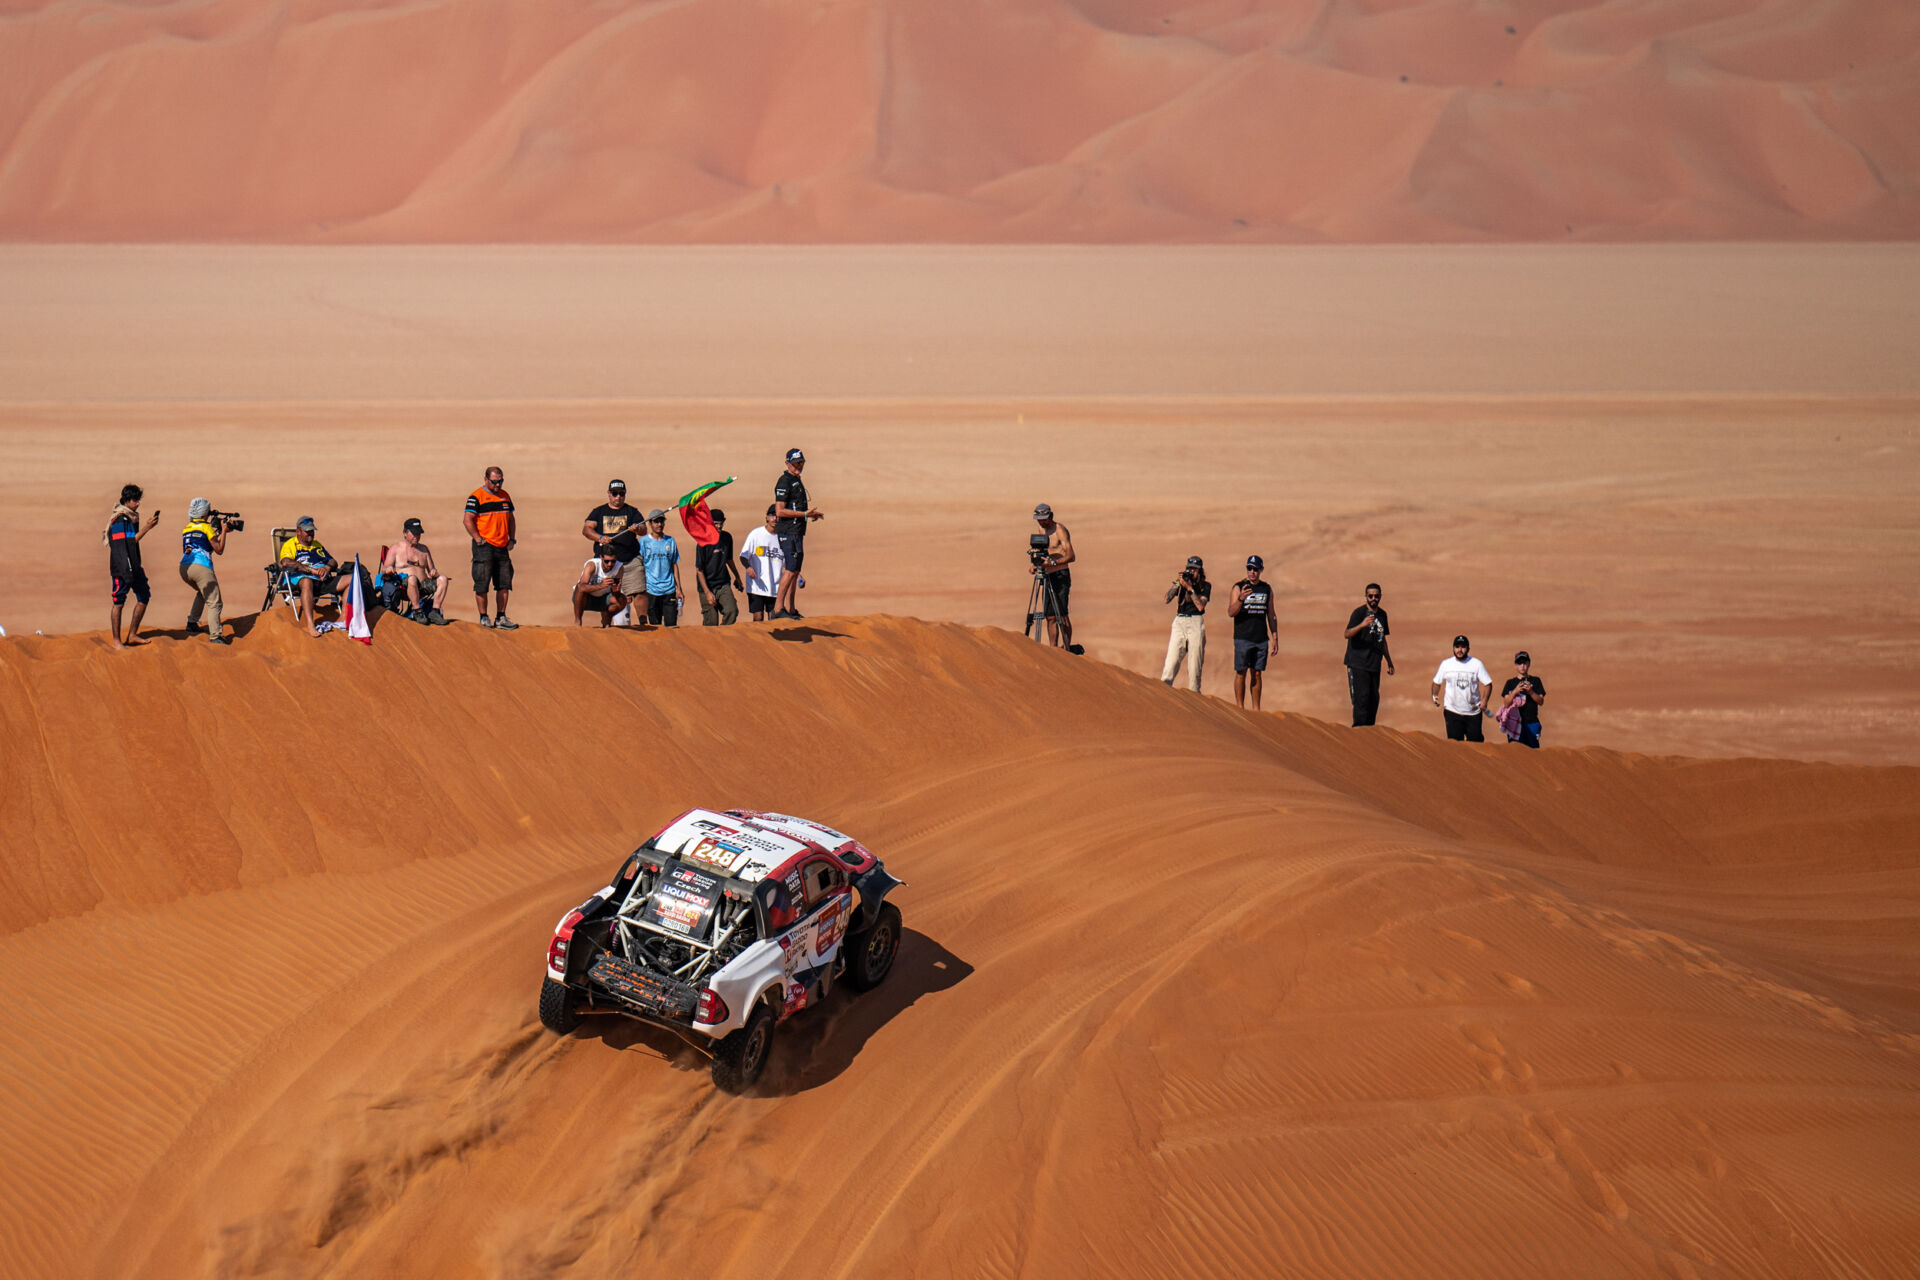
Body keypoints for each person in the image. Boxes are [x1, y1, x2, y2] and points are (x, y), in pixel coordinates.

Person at [278, 516, 354, 638]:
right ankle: (310, 624)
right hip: (301, 578)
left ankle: (342, 619)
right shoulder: (291, 544)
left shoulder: (317, 545)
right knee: (307, 582)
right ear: (298, 532)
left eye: (312, 531)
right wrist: (309, 569)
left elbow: (333, 561)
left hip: (322, 579)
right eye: (307, 531)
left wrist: (327, 568)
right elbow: (286, 562)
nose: (311, 534)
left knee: (352, 578)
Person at [105, 483, 159, 648]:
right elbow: (127, 542)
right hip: (121, 567)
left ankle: (133, 634)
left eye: (138, 500)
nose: (138, 503)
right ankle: (116, 641)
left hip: (134, 565)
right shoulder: (120, 519)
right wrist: (147, 528)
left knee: (144, 596)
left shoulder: (130, 517)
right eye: (135, 500)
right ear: (127, 500)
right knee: (118, 602)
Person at [771, 448, 823, 619]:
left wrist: (809, 515)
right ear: (787, 463)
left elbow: (797, 508)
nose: (799, 467)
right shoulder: (784, 481)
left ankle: (791, 609)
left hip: (797, 531)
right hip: (788, 531)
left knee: (795, 570)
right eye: (795, 464)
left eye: (801, 463)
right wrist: (804, 515)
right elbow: (779, 511)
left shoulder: (796, 480)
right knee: (790, 570)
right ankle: (778, 609)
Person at [463, 465, 517, 629]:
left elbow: (511, 518)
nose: (498, 485)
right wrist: (478, 539)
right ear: (486, 479)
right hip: (484, 546)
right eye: (494, 482)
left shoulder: (505, 496)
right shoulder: (476, 497)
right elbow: (467, 519)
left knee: (504, 583)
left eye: (500, 481)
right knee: (482, 583)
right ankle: (484, 617)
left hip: (502, 546)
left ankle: (501, 617)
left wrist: (512, 539)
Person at [1228, 555, 1279, 710]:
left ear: (1261, 570)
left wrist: (1275, 636)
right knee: (1241, 672)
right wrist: (1241, 599)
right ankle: (1240, 707)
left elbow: (1271, 614)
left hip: (1261, 638)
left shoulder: (1266, 589)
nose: (1252, 572)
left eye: (1255, 569)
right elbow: (1231, 612)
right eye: (1249, 568)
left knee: (1256, 673)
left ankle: (1256, 709)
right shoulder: (1238, 587)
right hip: (1243, 637)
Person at [178, 498, 231, 645]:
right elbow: (219, 550)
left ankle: (192, 623)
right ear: (204, 514)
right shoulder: (206, 528)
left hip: (184, 568)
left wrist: (218, 533)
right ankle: (215, 636)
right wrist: (224, 532)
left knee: (203, 592)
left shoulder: (187, 528)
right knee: (215, 602)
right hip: (201, 568)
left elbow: (205, 548)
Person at [1342, 583, 1396, 726]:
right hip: (1358, 663)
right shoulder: (1359, 613)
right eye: (1370, 596)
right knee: (1362, 699)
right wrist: (1362, 625)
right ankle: (1359, 732)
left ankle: (1370, 732)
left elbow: (1382, 639)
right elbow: (1347, 634)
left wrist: (1389, 661)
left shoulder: (1382, 615)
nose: (1373, 598)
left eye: (1376, 596)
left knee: (1373, 699)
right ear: (1366, 596)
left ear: (1380, 597)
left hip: (1374, 663)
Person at [382, 517, 451, 625]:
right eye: (414, 533)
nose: (417, 536)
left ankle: (435, 611)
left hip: (423, 586)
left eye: (418, 533)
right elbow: (384, 568)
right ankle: (417, 611)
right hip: (404, 586)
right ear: (405, 533)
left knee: (443, 579)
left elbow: (432, 569)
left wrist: (434, 572)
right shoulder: (396, 548)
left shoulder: (424, 549)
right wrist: (388, 569)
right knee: (412, 579)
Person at [1161, 555, 1210, 693]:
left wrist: (1190, 588)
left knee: (1194, 668)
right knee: (1170, 664)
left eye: (1194, 569)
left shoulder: (1205, 586)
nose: (1191, 572)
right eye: (1189, 569)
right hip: (1179, 621)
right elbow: (1166, 599)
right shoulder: (1181, 584)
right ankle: (1164, 694)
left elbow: (1201, 606)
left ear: (1200, 571)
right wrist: (1177, 583)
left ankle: (1195, 698)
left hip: (1195, 622)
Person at [1432, 635, 1494, 742]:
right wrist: (1435, 696)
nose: (1459, 650)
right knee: (1455, 746)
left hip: (1473, 712)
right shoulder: (1446, 664)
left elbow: (1488, 684)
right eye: (1457, 647)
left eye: (1463, 647)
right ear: (1453, 648)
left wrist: (1484, 701)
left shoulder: (1476, 664)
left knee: (1476, 745)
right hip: (1452, 711)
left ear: (1468, 649)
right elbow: (1436, 682)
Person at [1031, 503, 1076, 648]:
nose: (1042, 522)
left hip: (1061, 574)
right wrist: (1035, 564)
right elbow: (1042, 553)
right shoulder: (1041, 530)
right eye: (1039, 519)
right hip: (1047, 575)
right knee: (1050, 616)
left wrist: (1053, 563)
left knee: (1061, 615)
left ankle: (1066, 648)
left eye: (1044, 518)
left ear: (1051, 516)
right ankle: (1053, 650)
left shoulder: (1060, 530)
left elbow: (1071, 556)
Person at [695, 508, 744, 627]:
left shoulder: (727, 538)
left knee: (731, 611)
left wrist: (737, 577)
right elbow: (699, 571)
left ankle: (723, 638)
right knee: (711, 623)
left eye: (721, 523)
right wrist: (707, 593)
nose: (719, 526)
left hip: (723, 584)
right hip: (707, 586)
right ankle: (711, 643)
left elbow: (729, 560)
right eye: (715, 523)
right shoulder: (702, 542)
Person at [637, 508, 684, 627]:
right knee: (655, 627)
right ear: (650, 523)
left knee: (671, 626)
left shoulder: (670, 541)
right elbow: (639, 566)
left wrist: (679, 589)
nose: (659, 524)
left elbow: (674, 564)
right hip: (651, 590)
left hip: (669, 590)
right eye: (656, 521)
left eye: (661, 521)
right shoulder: (643, 542)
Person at [739, 505, 785, 622]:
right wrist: (748, 568)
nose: (774, 519)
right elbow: (743, 556)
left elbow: (785, 564)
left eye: (777, 516)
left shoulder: (783, 538)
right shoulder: (756, 534)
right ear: (766, 517)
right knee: (758, 617)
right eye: (772, 516)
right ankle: (756, 639)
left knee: (773, 618)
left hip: (775, 586)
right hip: (756, 585)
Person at [573, 544, 631, 627]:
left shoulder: (619, 567)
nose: (610, 564)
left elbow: (616, 595)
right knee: (579, 588)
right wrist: (601, 585)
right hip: (586, 599)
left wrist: (616, 592)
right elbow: (581, 587)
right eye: (607, 561)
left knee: (622, 600)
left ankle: (607, 620)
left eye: (613, 561)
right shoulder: (592, 565)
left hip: (604, 598)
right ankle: (578, 621)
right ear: (601, 557)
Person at [1499, 651, 1548, 749]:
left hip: (1532, 722)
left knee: (1534, 752)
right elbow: (1506, 703)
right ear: (1515, 665)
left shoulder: (1535, 681)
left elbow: (1541, 701)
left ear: (1529, 664)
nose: (1522, 666)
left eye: (1525, 663)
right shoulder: (1510, 683)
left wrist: (1531, 692)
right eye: (1519, 663)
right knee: (1516, 752)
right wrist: (1515, 691)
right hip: (1515, 724)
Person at [583, 479, 643, 551]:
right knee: (590, 563)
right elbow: (587, 529)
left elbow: (643, 529)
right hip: (603, 558)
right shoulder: (598, 511)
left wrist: (637, 529)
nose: (618, 497)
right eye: (614, 493)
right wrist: (600, 538)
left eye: (621, 494)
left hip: (629, 559)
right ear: (609, 493)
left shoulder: (632, 511)